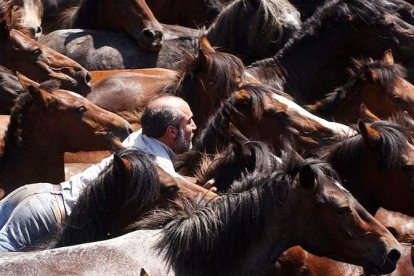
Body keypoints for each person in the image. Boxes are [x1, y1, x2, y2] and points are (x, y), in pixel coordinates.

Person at [0, 95, 201, 252]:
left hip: (37, 195)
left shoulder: (143, 135)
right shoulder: (155, 164)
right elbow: (175, 187)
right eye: (189, 122)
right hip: (49, 213)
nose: (195, 126)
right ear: (172, 132)